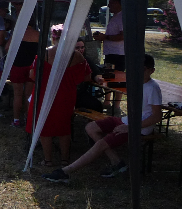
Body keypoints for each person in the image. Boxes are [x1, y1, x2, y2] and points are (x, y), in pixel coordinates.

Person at [43, 54, 163, 183]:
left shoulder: (152, 88)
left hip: (140, 128)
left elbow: (157, 116)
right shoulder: (136, 83)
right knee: (91, 127)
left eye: (143, 69)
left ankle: (65, 172)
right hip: (127, 121)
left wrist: (130, 127)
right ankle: (117, 162)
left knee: (101, 144)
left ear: (152, 70)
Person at [25, 43, 91, 167]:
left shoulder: (44, 53)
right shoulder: (77, 56)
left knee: (44, 126)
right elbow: (86, 77)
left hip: (44, 93)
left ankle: (48, 160)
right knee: (64, 127)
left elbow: (33, 75)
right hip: (66, 94)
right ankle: (64, 159)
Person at [7, 13, 40, 127]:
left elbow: (7, 48)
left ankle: (16, 119)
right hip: (32, 67)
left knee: (17, 95)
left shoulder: (17, 34)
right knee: (29, 95)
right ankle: (28, 118)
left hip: (18, 66)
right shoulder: (38, 34)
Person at [94, 0, 124, 112]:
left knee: (118, 80)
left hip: (119, 54)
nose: (108, 5)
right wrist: (102, 37)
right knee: (108, 76)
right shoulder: (116, 16)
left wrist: (105, 37)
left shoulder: (122, 17)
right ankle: (107, 102)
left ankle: (116, 106)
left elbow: (123, 36)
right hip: (110, 53)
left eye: (111, 3)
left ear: (118, 3)